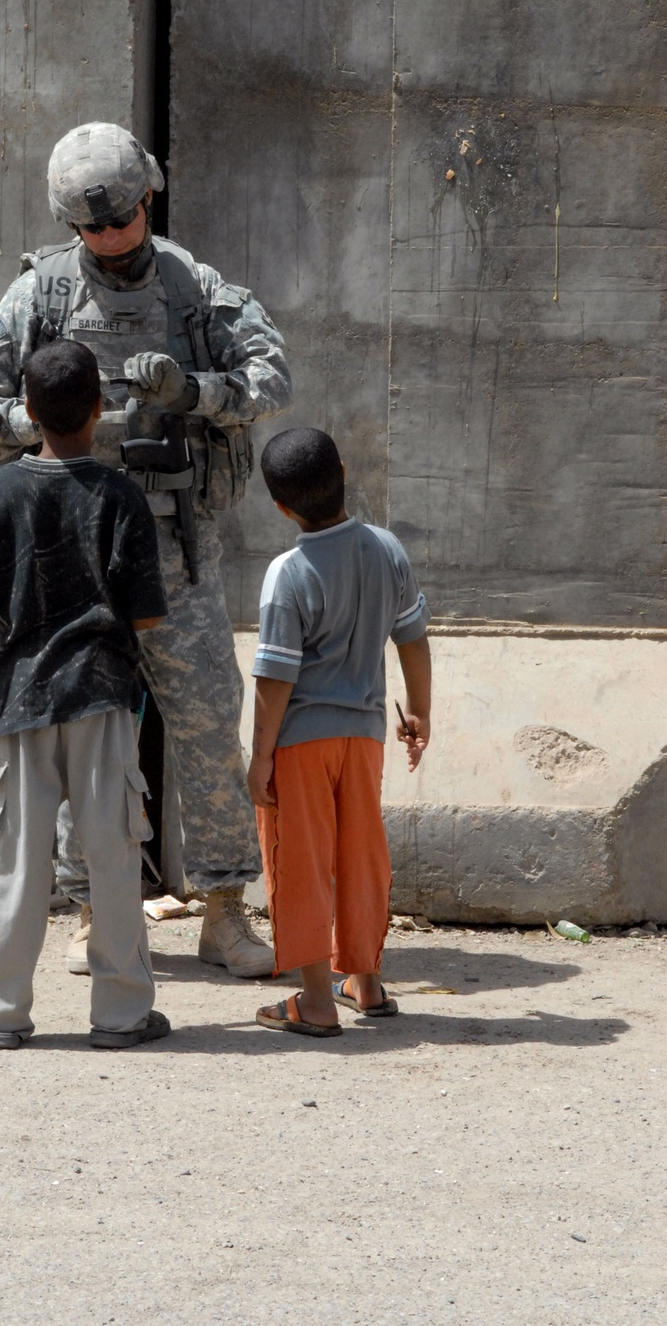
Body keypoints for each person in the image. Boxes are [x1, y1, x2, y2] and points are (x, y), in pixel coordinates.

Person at [0, 121, 292, 978]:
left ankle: (223, 911)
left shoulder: (195, 288)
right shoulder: (42, 297)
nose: (109, 237)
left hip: (177, 551)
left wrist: (195, 393)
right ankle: (91, 912)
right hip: (75, 556)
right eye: (91, 228)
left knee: (208, 724)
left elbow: (270, 379)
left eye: (122, 219)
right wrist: (56, 416)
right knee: (85, 732)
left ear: (149, 196)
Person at [0, 339, 171, 1050]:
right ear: (101, 411)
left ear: (26, 409)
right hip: (103, 696)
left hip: (18, 701)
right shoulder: (120, 496)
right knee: (111, 852)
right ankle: (121, 1014)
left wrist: (18, 639)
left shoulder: (1, 490)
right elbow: (146, 615)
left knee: (11, 857)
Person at [246, 428, 432, 1036]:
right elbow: (412, 636)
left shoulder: (287, 573)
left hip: (300, 742)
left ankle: (315, 1001)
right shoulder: (387, 550)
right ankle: (367, 983)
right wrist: (420, 712)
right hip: (366, 738)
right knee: (360, 856)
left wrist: (259, 758)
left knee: (300, 863)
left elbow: (275, 679)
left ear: (281, 507)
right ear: (345, 472)